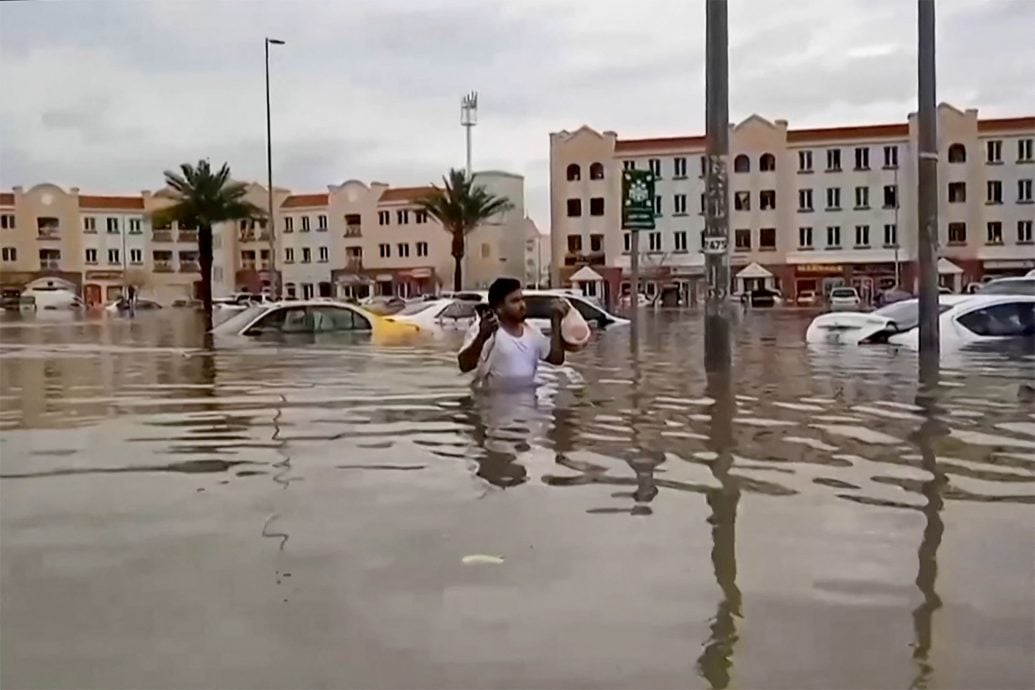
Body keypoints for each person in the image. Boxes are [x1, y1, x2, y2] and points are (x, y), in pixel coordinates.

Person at [457, 277, 569, 389]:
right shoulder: (485, 329)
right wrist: (482, 336)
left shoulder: (532, 331)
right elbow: (465, 366)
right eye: (515, 301)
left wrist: (556, 321)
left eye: (522, 299)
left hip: (528, 403)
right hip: (492, 404)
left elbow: (556, 359)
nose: (522, 305)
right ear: (499, 308)